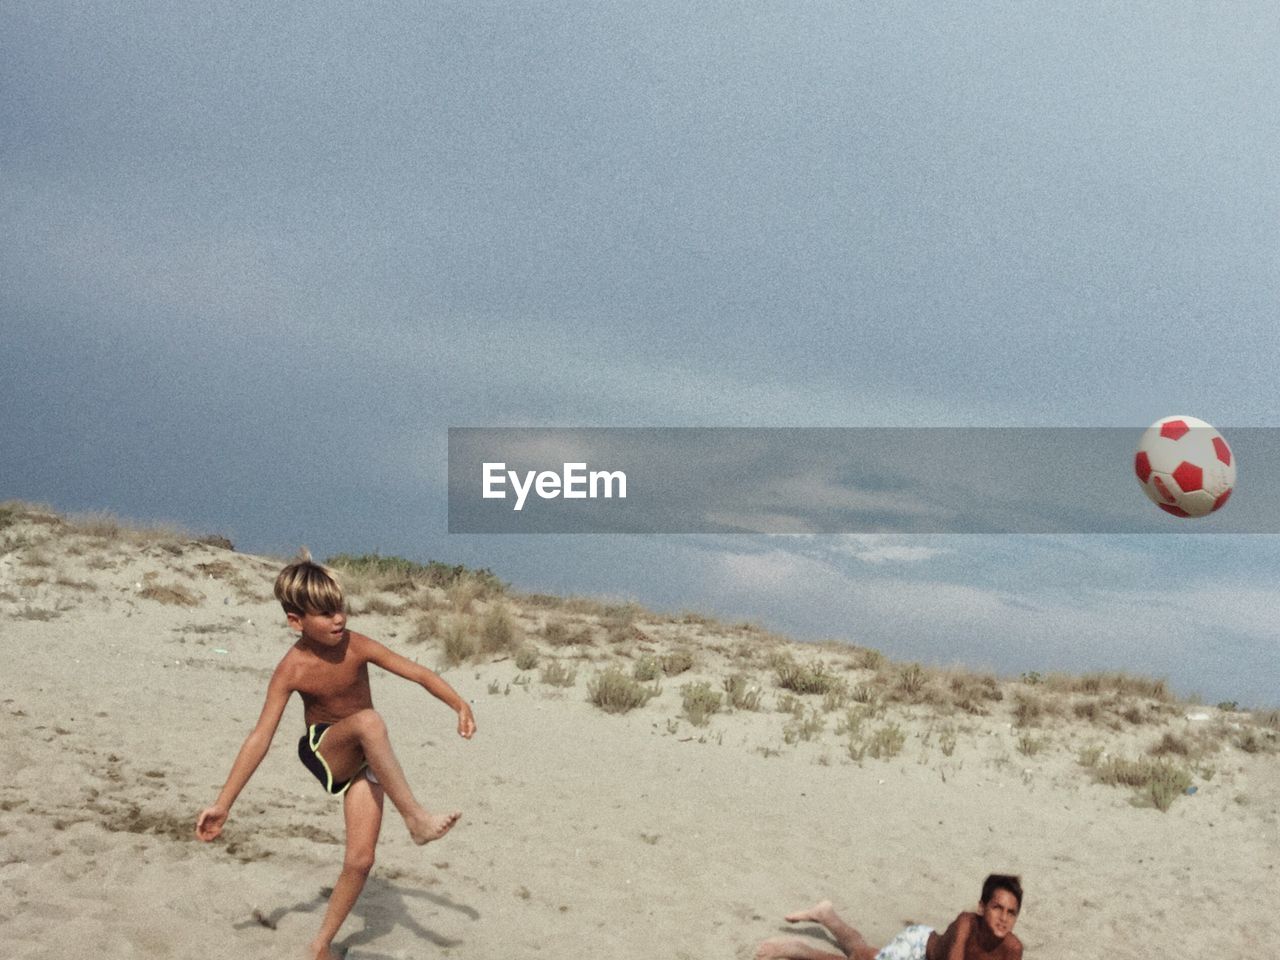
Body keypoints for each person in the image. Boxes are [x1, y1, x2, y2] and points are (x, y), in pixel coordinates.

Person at [195, 552, 477, 960]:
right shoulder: (291, 669)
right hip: (324, 749)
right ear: (296, 621)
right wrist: (224, 803)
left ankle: (320, 946)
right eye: (325, 614)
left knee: (361, 860)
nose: (338, 620)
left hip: (366, 759)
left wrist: (459, 703)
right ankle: (415, 819)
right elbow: (261, 736)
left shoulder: (356, 645)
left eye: (340, 609)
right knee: (370, 722)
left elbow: (415, 671)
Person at [756, 874, 1023, 960]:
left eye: (1011, 912)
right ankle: (798, 949)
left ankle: (826, 915)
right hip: (917, 947)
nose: (1003, 918)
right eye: (997, 908)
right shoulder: (967, 922)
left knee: (860, 952)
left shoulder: (1012, 948)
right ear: (982, 907)